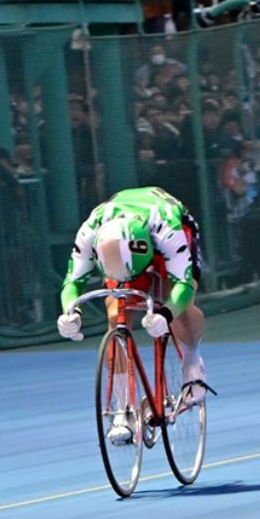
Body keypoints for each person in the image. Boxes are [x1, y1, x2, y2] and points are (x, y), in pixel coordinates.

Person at [56, 187, 210, 442]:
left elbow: (183, 285)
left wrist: (167, 313)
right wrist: (70, 312)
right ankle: (121, 410)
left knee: (180, 301)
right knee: (115, 310)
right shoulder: (90, 232)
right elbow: (72, 282)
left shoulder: (167, 228)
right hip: (120, 249)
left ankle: (192, 363)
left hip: (171, 233)